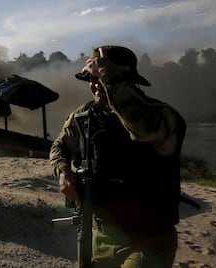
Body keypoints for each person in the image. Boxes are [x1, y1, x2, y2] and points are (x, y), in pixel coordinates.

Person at [49, 45, 186, 267]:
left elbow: (143, 129)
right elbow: (59, 147)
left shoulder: (161, 116)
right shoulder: (84, 117)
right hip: (102, 237)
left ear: (128, 80)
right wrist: (63, 171)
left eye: (101, 78)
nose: (96, 86)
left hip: (149, 239)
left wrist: (109, 77)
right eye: (92, 80)